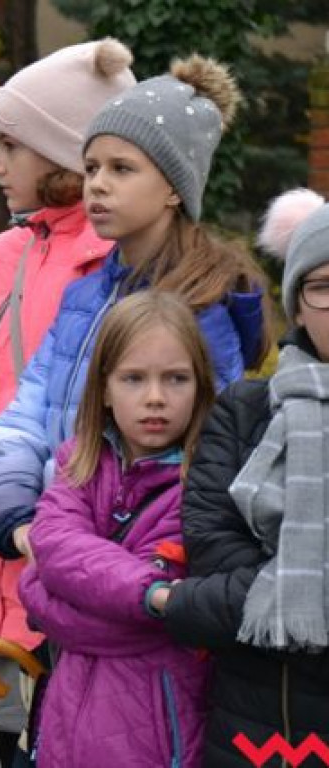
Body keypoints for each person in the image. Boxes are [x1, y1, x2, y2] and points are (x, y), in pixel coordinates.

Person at [0, 38, 134, 765]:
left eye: (10, 146)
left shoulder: (116, 263)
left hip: (68, 559)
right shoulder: (6, 254)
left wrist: (2, 498)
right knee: (13, 750)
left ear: (64, 156)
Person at [0, 54, 270, 564]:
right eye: (91, 167)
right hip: (58, 548)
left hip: (136, 566)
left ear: (175, 190)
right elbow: (23, 418)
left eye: (122, 168)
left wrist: (90, 545)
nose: (98, 184)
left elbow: (198, 460)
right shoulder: (84, 294)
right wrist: (17, 515)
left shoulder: (202, 309)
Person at [162, 189, 329, 764]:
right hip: (249, 734)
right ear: (298, 305)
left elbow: (215, 592)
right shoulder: (245, 409)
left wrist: (189, 603)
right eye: (323, 287)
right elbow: (209, 541)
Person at [18, 291, 214, 768]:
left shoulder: (205, 484)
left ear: (200, 387)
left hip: (157, 736)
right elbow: (51, 552)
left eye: (176, 379)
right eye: (133, 378)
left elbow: (144, 626)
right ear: (103, 388)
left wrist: (56, 585)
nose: (155, 397)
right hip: (67, 724)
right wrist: (153, 594)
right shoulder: (77, 463)